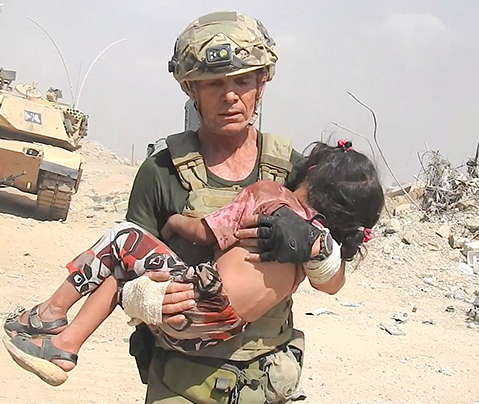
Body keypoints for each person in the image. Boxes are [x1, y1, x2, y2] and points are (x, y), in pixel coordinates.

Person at [3, 11, 353, 404]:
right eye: (214, 83)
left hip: (266, 379)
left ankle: (50, 319)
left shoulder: (292, 171)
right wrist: (148, 301)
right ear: (191, 89)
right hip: (181, 383)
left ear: (262, 84)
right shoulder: (162, 170)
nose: (230, 95)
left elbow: (333, 283)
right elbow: (119, 271)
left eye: (243, 80)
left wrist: (315, 247)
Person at [3, 141, 384, 391]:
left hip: (195, 301)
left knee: (122, 238)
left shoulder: (270, 195)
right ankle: (62, 346)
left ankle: (51, 317)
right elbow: (328, 278)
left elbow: (206, 232)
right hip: (215, 333)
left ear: (313, 171)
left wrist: (172, 223)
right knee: (123, 279)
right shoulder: (313, 244)